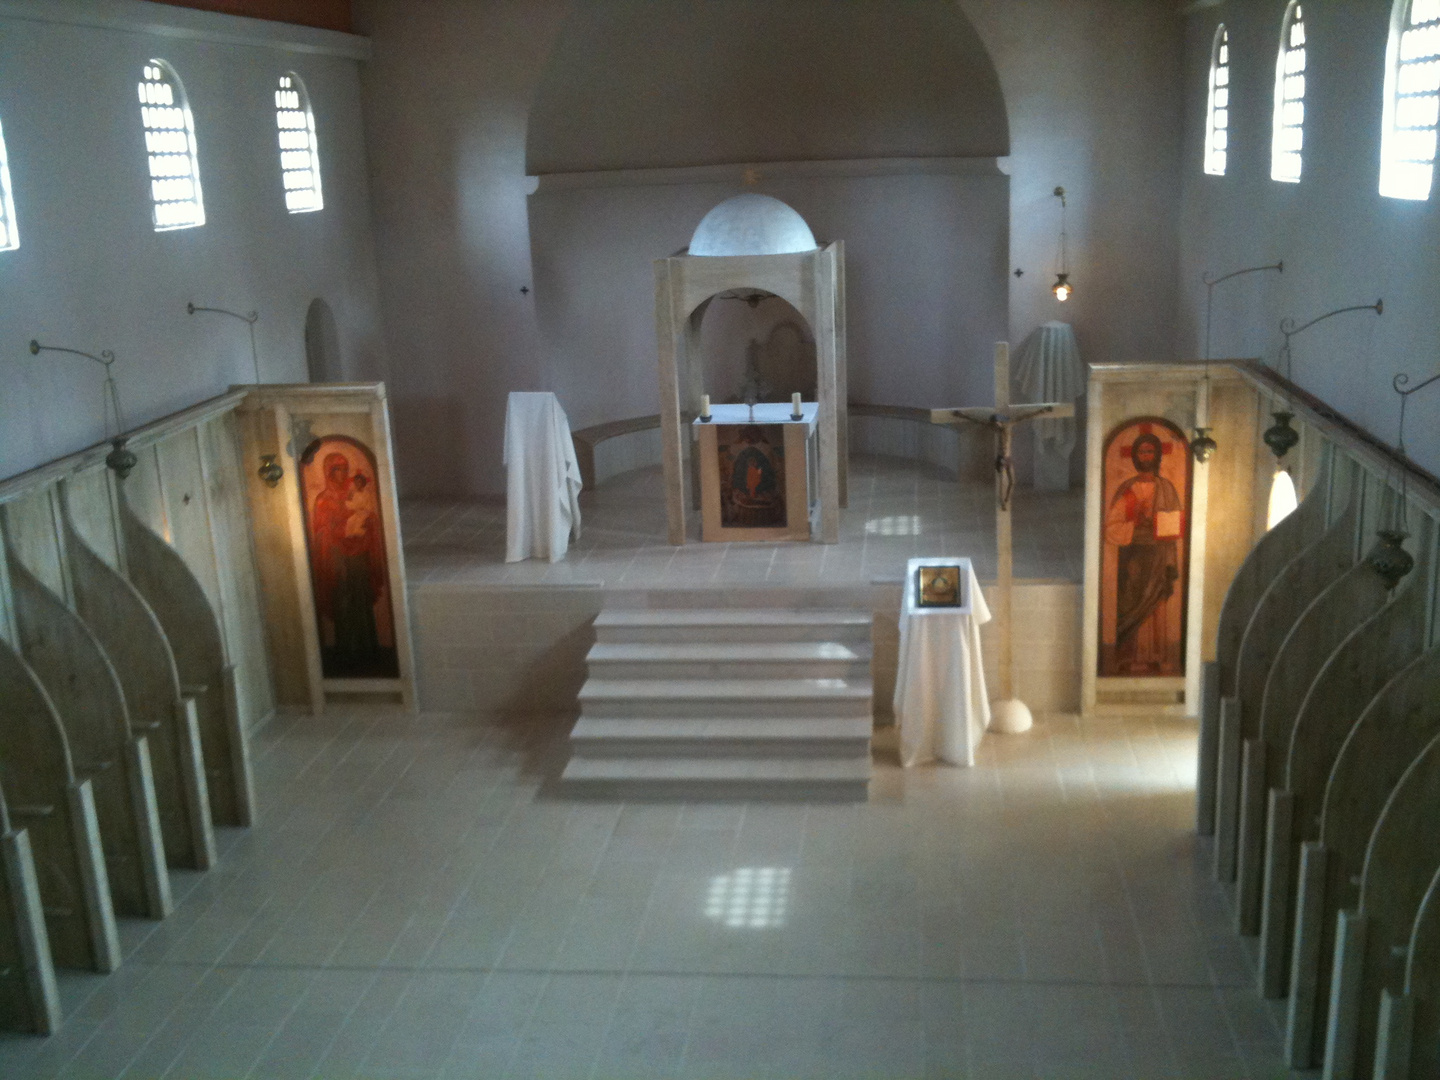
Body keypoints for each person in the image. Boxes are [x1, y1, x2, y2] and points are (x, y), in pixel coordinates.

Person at [1105, 431, 1183, 674]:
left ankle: (1158, 657)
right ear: (1135, 456)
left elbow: (1177, 522)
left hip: (1159, 555)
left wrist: (1162, 523)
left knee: (1156, 605)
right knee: (1131, 605)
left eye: (1150, 451)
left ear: (1157, 454)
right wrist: (1136, 522)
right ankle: (1128, 657)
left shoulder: (1167, 488)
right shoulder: (1127, 489)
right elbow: (1111, 528)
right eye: (1142, 451)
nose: (1146, 456)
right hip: (1133, 560)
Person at [309, 451, 389, 669]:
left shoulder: (354, 494)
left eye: (345, 469)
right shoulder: (323, 500)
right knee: (343, 602)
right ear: (328, 472)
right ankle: (347, 654)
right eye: (337, 469)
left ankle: (369, 650)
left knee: (361, 600)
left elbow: (368, 516)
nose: (342, 474)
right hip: (338, 559)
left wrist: (367, 520)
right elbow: (321, 532)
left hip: (359, 556)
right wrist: (341, 527)